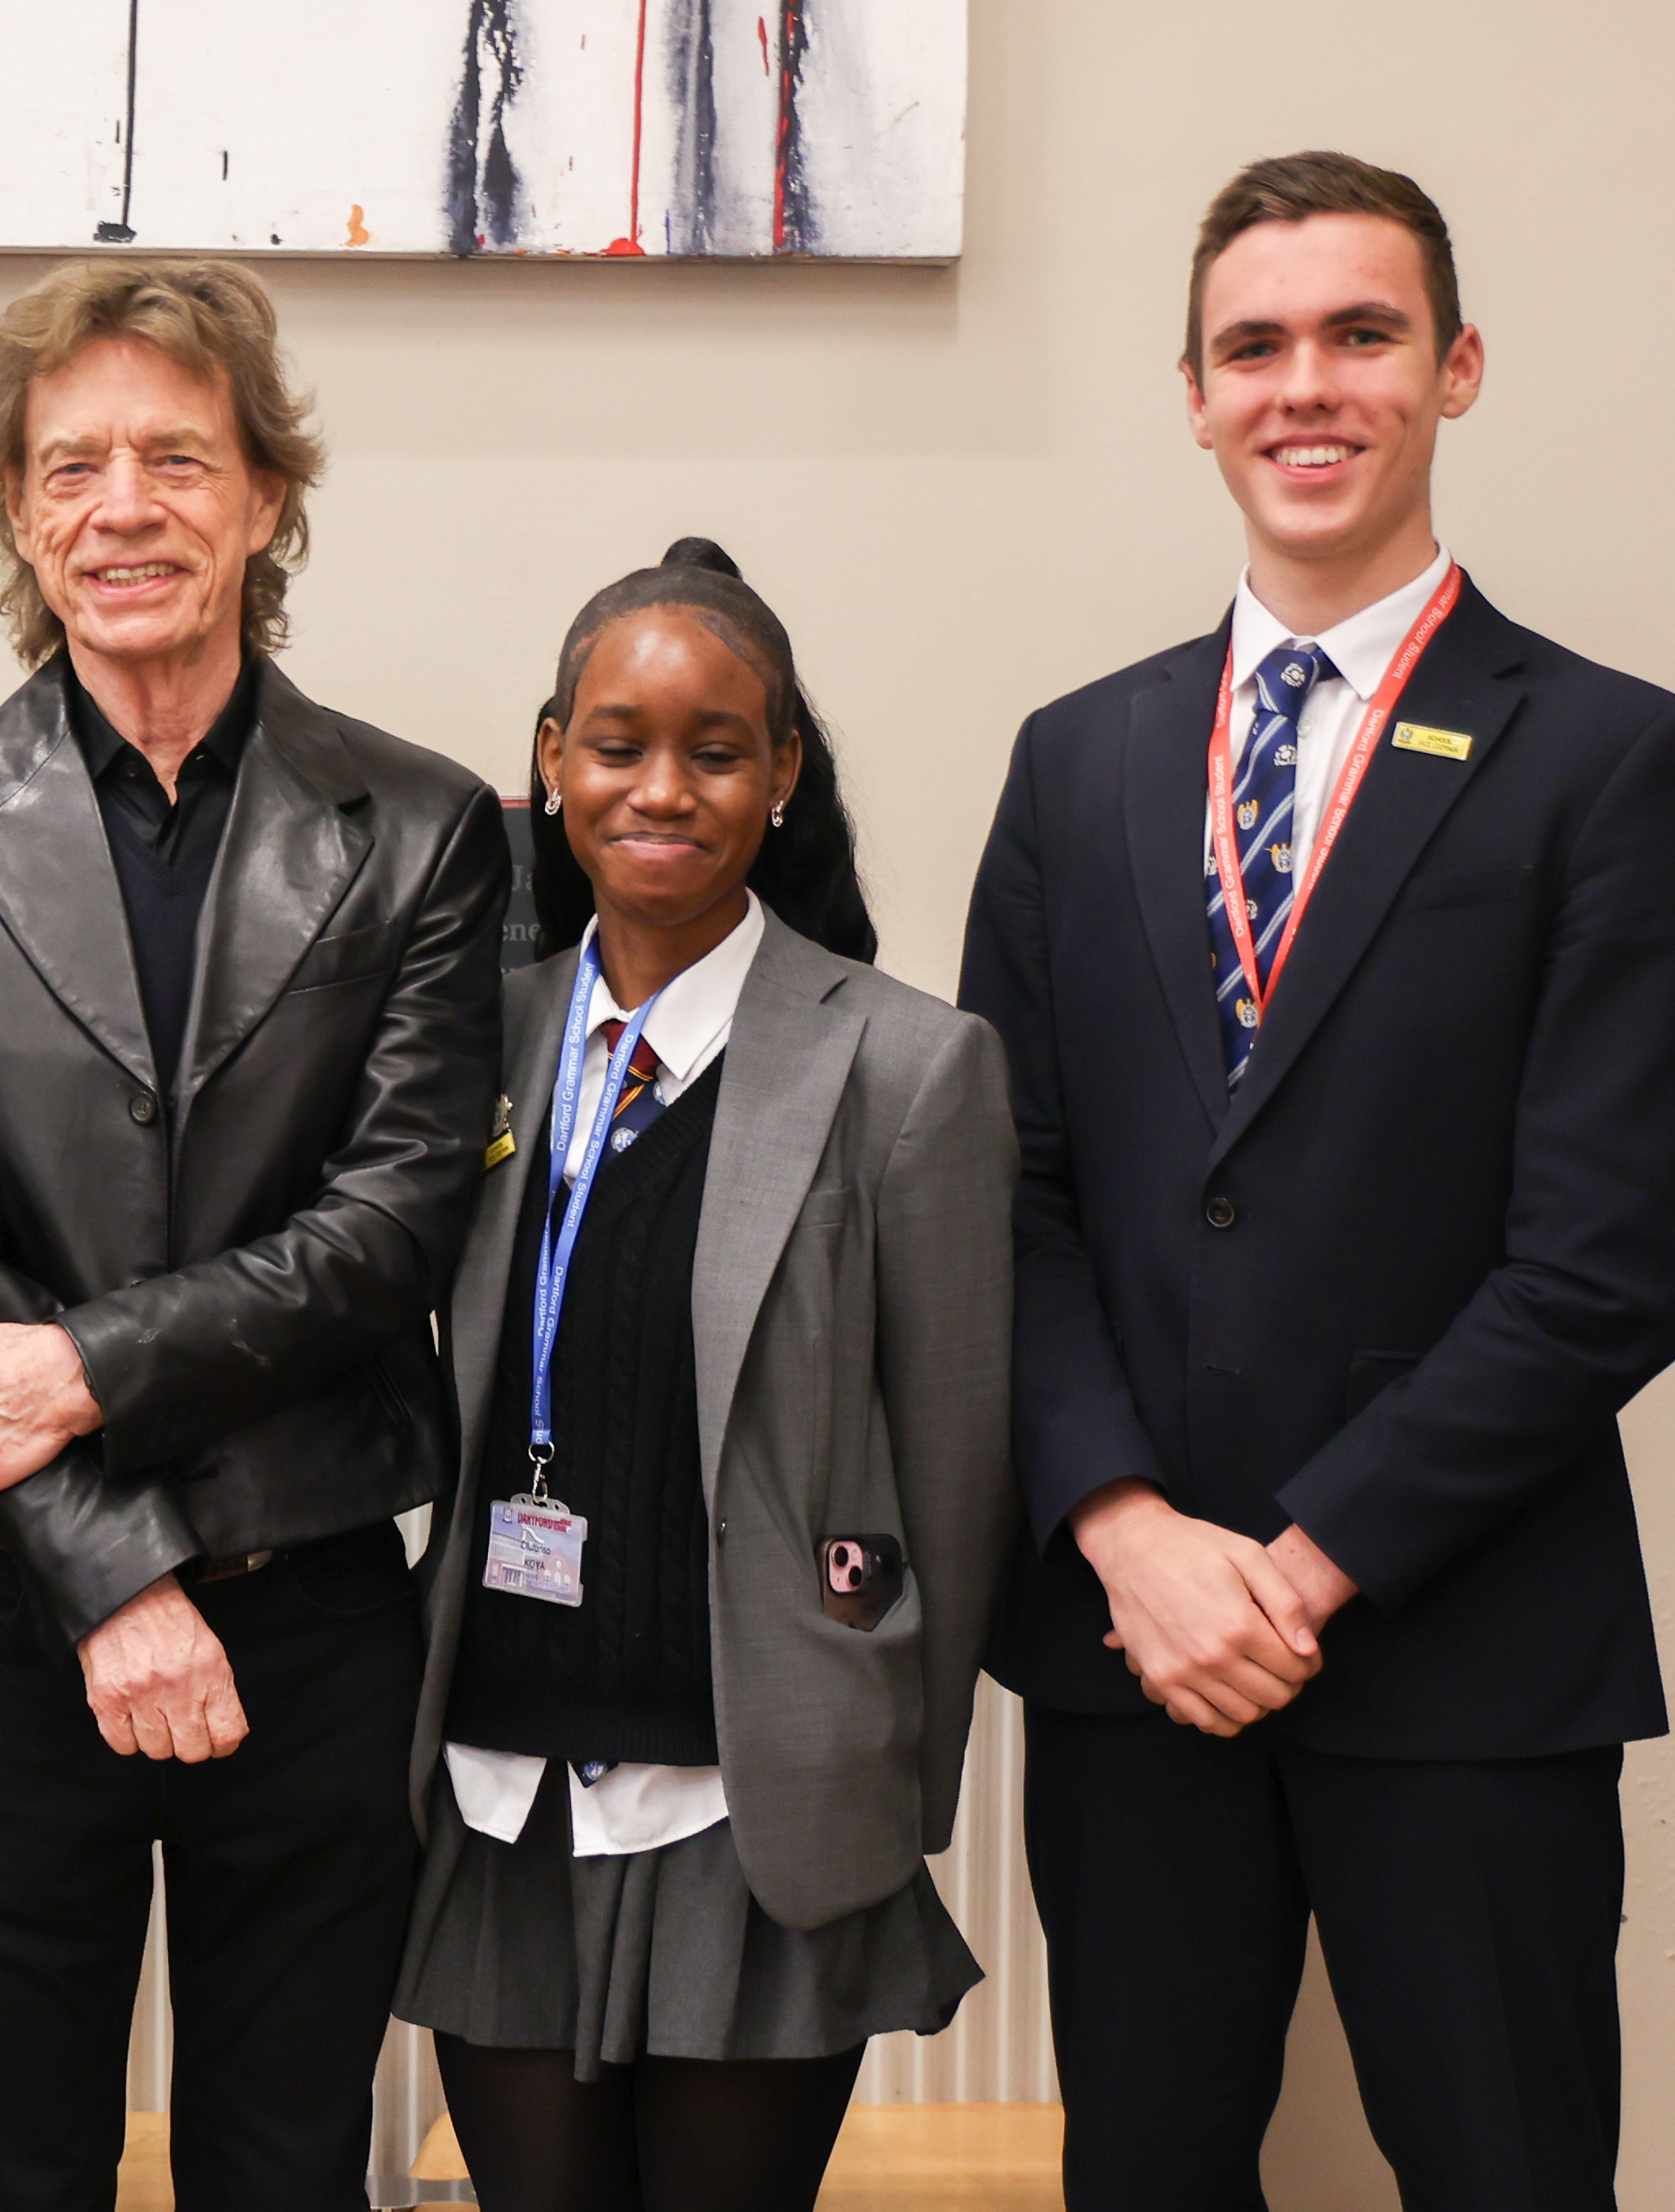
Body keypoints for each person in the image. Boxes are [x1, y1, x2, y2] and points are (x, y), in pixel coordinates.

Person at [959, 152, 1675, 2212]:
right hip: (1133, 1663)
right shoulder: (1077, 759)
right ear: (1193, 395)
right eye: (1256, 345)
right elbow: (1002, 1201)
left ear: (1456, 369)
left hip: (1464, 1654)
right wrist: (1130, 1536)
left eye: (1364, 335)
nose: (1310, 385)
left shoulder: (1611, 759)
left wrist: (1287, 1572)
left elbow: (1610, 1265)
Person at [0, 258, 508, 2211]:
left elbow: (390, 1230)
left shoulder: (428, 829)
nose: (124, 508)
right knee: (9, 2166)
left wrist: (85, 1366)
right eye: (73, 466)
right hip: (13, 1621)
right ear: (20, 514)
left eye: (177, 460)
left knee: (289, 2167)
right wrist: (117, 1583)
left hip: (322, 1613)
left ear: (265, 498)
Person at [392, 541, 1015, 2212]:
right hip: (502, 1783)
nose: (662, 788)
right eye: (616, 743)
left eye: (717, 748)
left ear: (783, 773)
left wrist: (889, 1784)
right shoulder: (468, 1039)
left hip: (759, 1812)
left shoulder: (907, 1064)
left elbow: (957, 1483)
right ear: (551, 760)